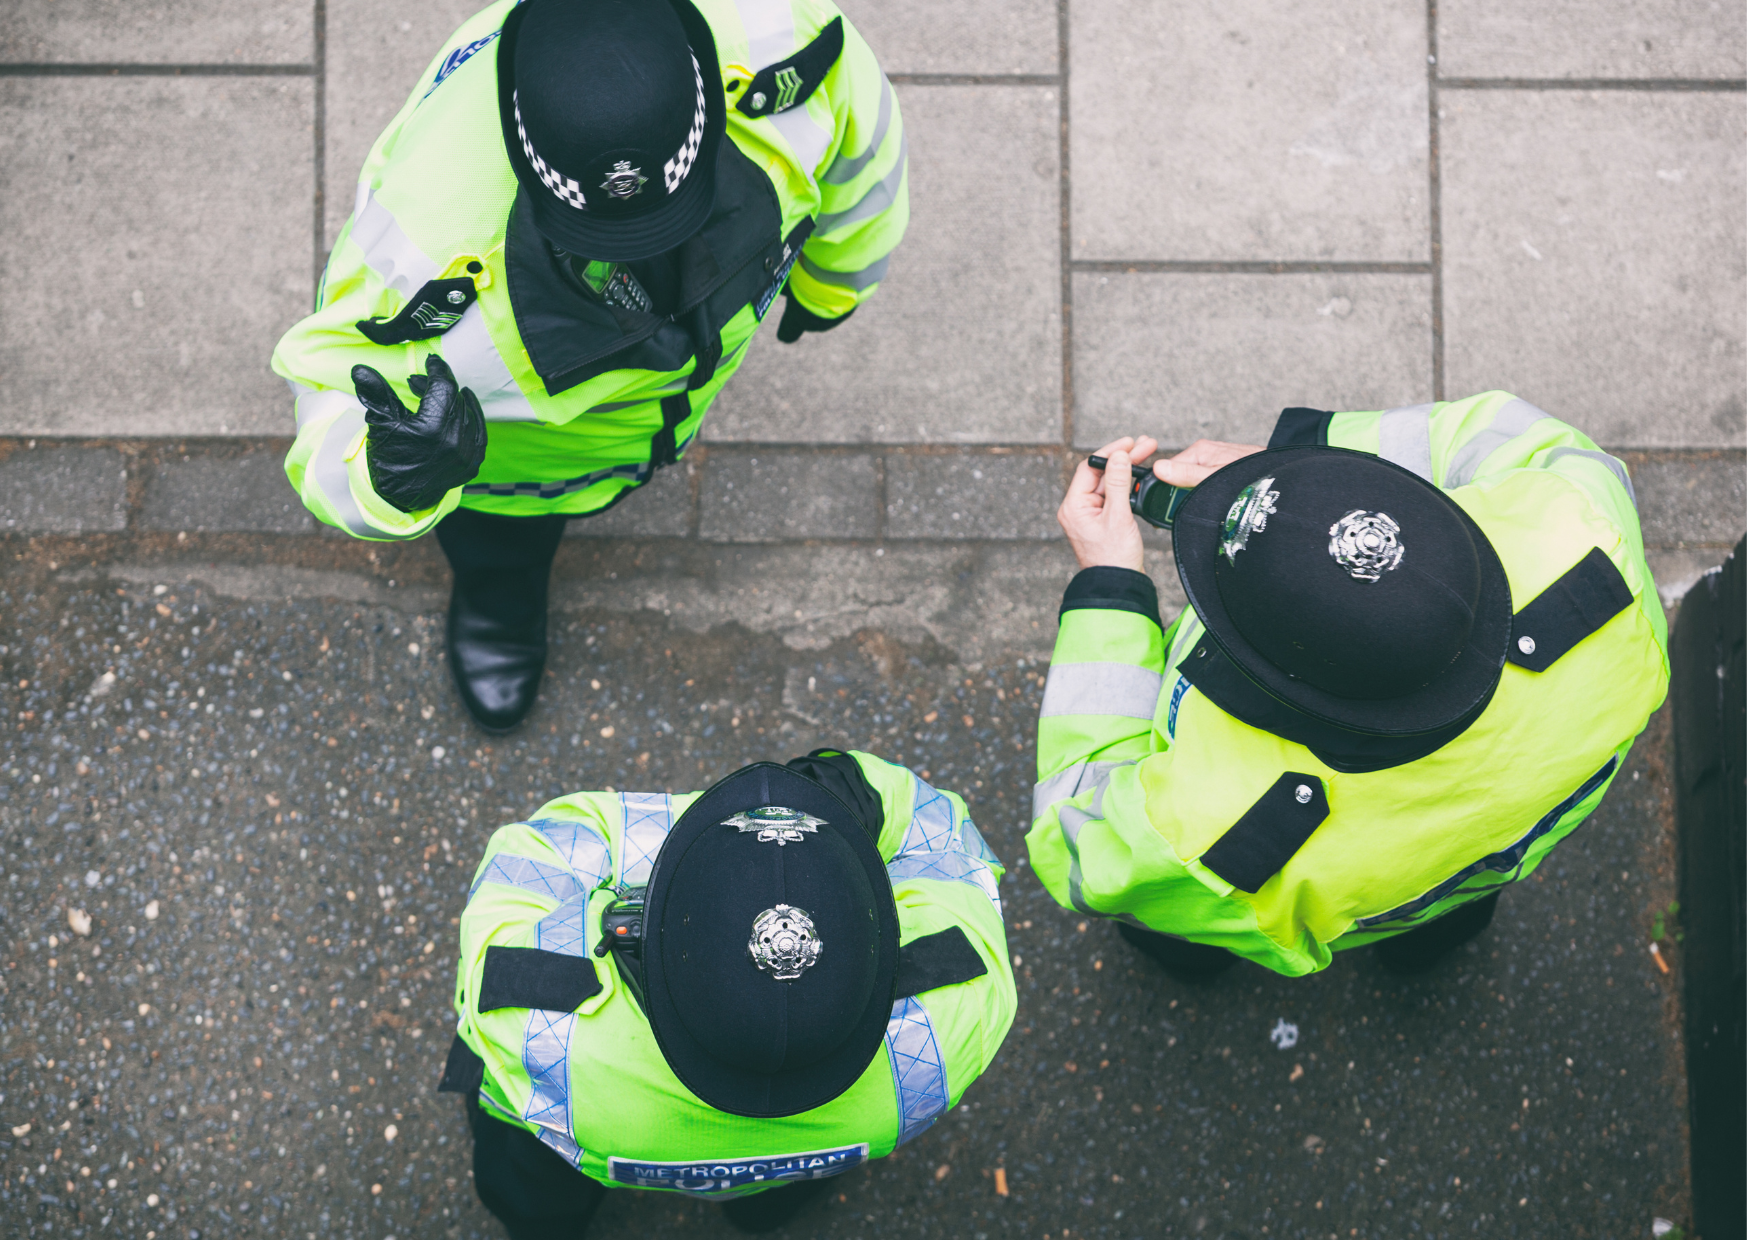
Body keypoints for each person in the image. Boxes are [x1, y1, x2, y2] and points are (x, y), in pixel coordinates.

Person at [272, 0, 906, 731]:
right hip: (517, 478)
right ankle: (500, 596)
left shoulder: (782, 39)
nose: (643, 254)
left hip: (648, 418)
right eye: (606, 234)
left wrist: (837, 278)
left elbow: (867, 151)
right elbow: (324, 391)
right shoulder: (417, 256)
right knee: (500, 543)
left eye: (671, 215)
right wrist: (387, 477)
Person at [1028, 392, 1668, 977]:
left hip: (1248, 890)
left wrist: (1109, 584)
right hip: (1501, 841)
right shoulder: (1586, 536)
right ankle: (1424, 957)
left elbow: (1082, 847)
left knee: (1185, 929)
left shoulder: (1218, 834)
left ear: (1287, 676)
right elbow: (1514, 435)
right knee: (1448, 910)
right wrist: (1309, 469)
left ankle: (1198, 970)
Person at [439, 749, 1014, 1236]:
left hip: (564, 1146)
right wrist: (834, 801)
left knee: (532, 1186)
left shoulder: (544, 1027)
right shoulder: (943, 1030)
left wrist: (715, 859)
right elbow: (944, 840)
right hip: (804, 1161)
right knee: (773, 1195)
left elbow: (543, 854)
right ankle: (763, 1210)